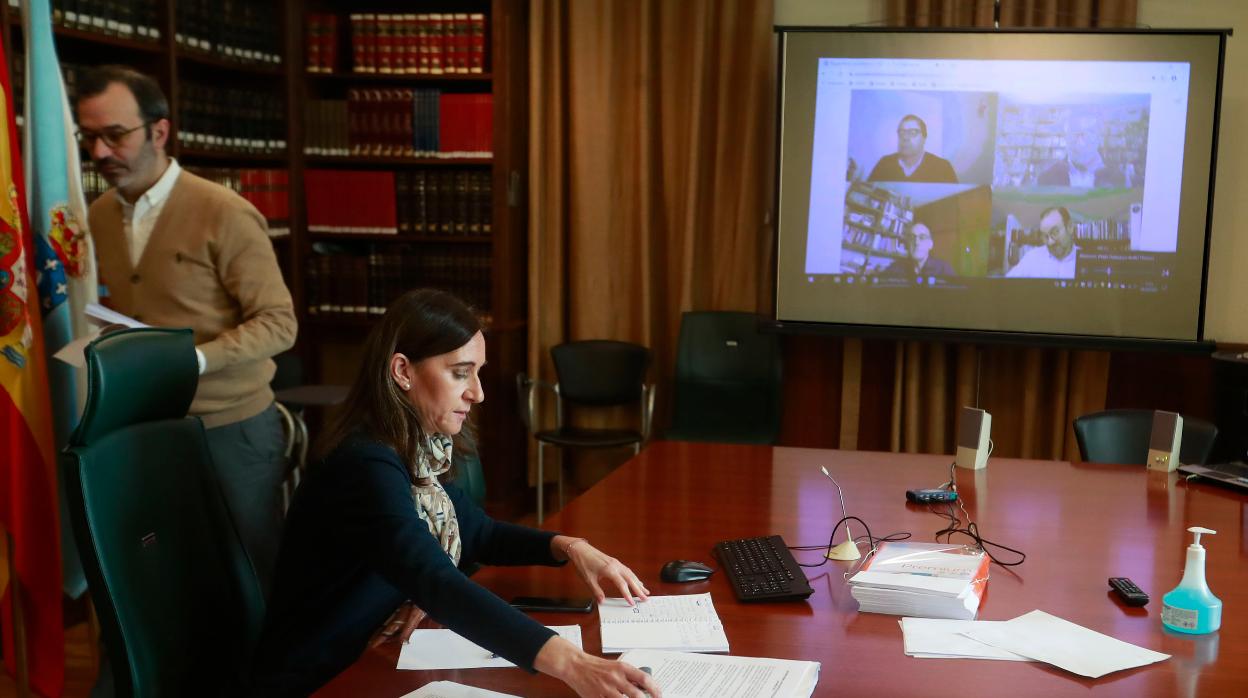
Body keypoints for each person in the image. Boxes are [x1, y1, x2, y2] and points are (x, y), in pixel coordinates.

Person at [249, 289, 663, 698]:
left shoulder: (416, 449)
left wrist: (571, 547)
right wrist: (573, 664)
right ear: (402, 371)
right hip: (323, 676)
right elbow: (434, 579)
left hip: (378, 650)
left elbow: (479, 533)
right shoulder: (364, 465)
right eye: (460, 372)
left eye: (477, 372)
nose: (477, 393)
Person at [75, 65, 297, 595]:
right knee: (169, 578)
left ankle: (272, 680)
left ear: (159, 131)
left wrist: (196, 359)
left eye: (114, 135)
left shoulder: (224, 212)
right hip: (145, 426)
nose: (100, 153)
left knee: (252, 571)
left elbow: (279, 322)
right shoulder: (101, 213)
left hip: (231, 426)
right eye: (90, 138)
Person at [1036, 112, 1125, 188]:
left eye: (1089, 133)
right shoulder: (1046, 179)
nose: (1081, 142)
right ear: (1064, 137)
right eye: (1073, 133)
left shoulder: (1121, 178)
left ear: (1100, 137)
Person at [868, 115, 959, 184]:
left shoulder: (943, 167)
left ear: (924, 138)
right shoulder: (884, 164)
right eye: (902, 132)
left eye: (912, 132)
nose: (905, 137)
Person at [1006, 206, 1078, 279]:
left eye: (1055, 232)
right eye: (1045, 236)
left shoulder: (1086, 260)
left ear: (1070, 227)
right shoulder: (1032, 258)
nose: (1050, 242)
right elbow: (1005, 285)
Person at [877, 222, 955, 279]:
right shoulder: (895, 268)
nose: (916, 242)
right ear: (908, 244)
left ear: (930, 244)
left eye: (922, 237)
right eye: (912, 238)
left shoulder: (944, 269)